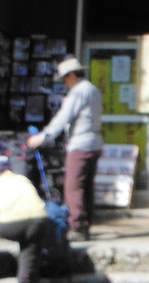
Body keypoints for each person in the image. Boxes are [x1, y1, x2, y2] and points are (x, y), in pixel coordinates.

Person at [27, 56, 102, 242]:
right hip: (95, 143)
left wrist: (44, 136)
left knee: (73, 186)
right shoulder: (94, 90)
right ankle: (86, 225)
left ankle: (76, 226)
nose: (65, 83)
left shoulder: (78, 92)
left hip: (80, 144)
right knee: (87, 187)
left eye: (66, 79)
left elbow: (63, 118)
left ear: (72, 76)